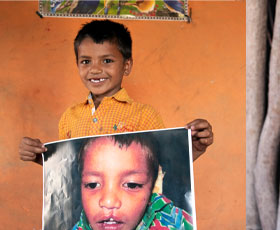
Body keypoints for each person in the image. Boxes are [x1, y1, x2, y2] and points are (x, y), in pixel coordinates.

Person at [18, 19, 213, 165]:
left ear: (126, 66)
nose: (95, 69)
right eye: (86, 61)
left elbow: (162, 167)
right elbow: (67, 170)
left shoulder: (144, 116)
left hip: (128, 215)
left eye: (107, 61)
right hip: (85, 215)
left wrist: (194, 149)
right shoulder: (69, 117)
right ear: (77, 64)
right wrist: (39, 157)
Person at [61, 134, 194, 230]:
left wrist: (190, 145)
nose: (109, 202)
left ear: (152, 188)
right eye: (92, 184)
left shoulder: (175, 221)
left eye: (131, 185)